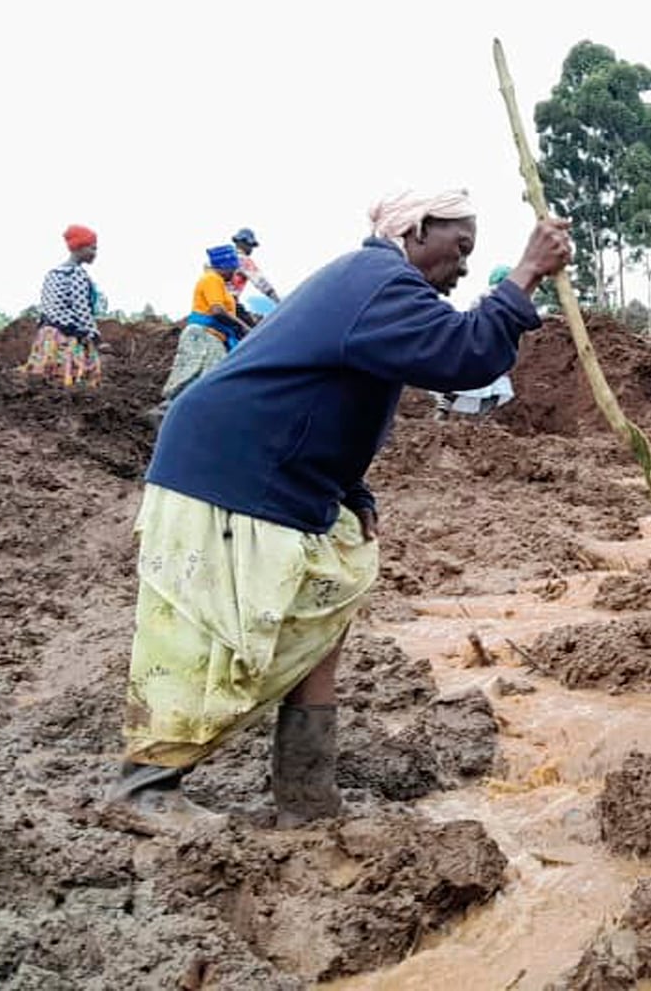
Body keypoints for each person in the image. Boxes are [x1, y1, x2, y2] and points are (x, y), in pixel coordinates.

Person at [106, 190, 571, 828]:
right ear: (417, 231)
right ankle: (145, 790)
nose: (464, 266)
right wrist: (527, 274)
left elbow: (327, 393)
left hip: (270, 471)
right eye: (459, 247)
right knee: (213, 634)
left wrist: (351, 489)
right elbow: (465, 359)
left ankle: (307, 799)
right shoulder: (379, 282)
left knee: (324, 606)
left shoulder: (375, 287)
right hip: (231, 472)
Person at [158, 245, 250, 406]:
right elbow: (217, 310)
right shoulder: (211, 279)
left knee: (208, 379)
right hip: (203, 336)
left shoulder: (219, 283)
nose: (235, 273)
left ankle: (184, 412)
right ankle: (168, 411)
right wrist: (241, 327)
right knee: (198, 377)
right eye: (233, 269)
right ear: (225, 266)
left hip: (212, 336)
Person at [432, 265, 519, 420]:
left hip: (476, 343)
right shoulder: (500, 296)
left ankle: (446, 408)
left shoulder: (484, 296)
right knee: (493, 386)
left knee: (466, 380)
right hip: (489, 348)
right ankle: (483, 419)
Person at [22, 225, 103, 388]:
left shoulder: (53, 273)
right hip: (69, 336)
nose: (95, 253)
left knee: (46, 380)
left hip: (48, 335)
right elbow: (81, 308)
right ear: (79, 248)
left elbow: (46, 305)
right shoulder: (76, 273)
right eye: (92, 248)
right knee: (73, 382)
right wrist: (93, 333)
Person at [231, 227, 281, 302]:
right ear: (242, 242)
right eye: (250, 245)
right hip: (228, 301)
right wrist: (277, 299)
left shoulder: (225, 257)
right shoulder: (242, 259)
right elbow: (260, 281)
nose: (251, 249)